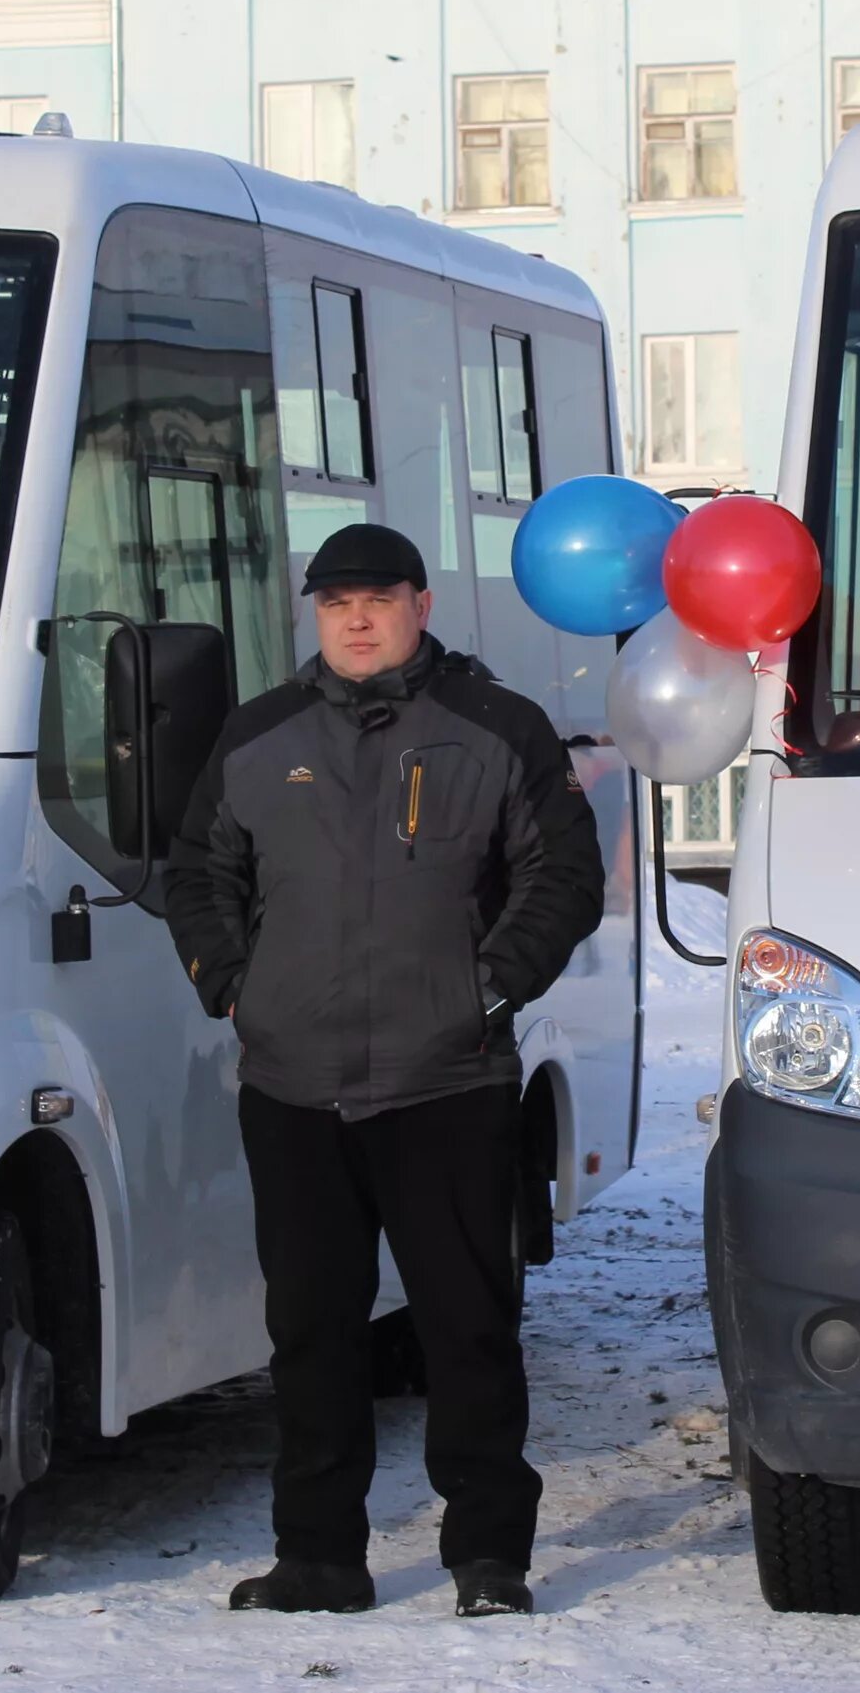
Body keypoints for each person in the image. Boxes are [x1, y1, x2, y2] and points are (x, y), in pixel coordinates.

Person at [166, 522, 604, 1619]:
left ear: (418, 602)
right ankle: (319, 1559)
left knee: (468, 1327)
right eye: (334, 602)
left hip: (446, 1083)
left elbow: (563, 877)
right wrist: (232, 985)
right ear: (314, 613)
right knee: (311, 1332)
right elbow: (197, 870)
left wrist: (487, 990)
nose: (355, 619)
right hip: (294, 1087)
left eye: (376, 598)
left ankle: (489, 1558)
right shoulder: (261, 735)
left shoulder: (496, 727)